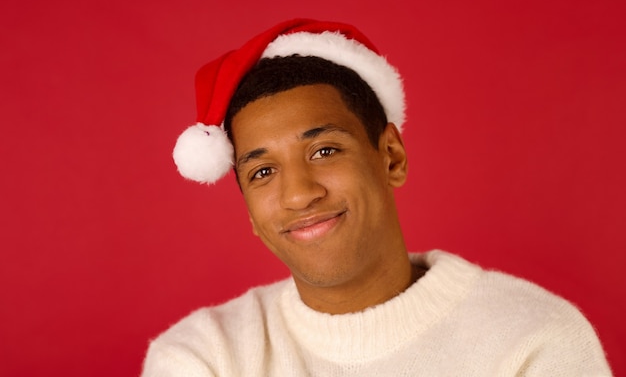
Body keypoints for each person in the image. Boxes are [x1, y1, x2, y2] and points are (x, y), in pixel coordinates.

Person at [141, 19, 612, 376]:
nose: (300, 194)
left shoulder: (535, 340)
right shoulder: (203, 358)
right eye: (263, 171)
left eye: (324, 150)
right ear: (248, 209)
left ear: (390, 157)